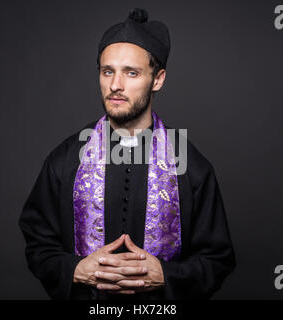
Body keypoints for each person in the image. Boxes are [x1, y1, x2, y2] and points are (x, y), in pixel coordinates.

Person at [19, 8, 236, 300]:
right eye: (107, 71)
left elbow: (217, 260)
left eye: (131, 73)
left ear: (157, 79)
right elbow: (38, 245)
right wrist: (74, 270)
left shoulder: (190, 165)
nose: (115, 85)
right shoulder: (67, 159)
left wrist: (167, 276)